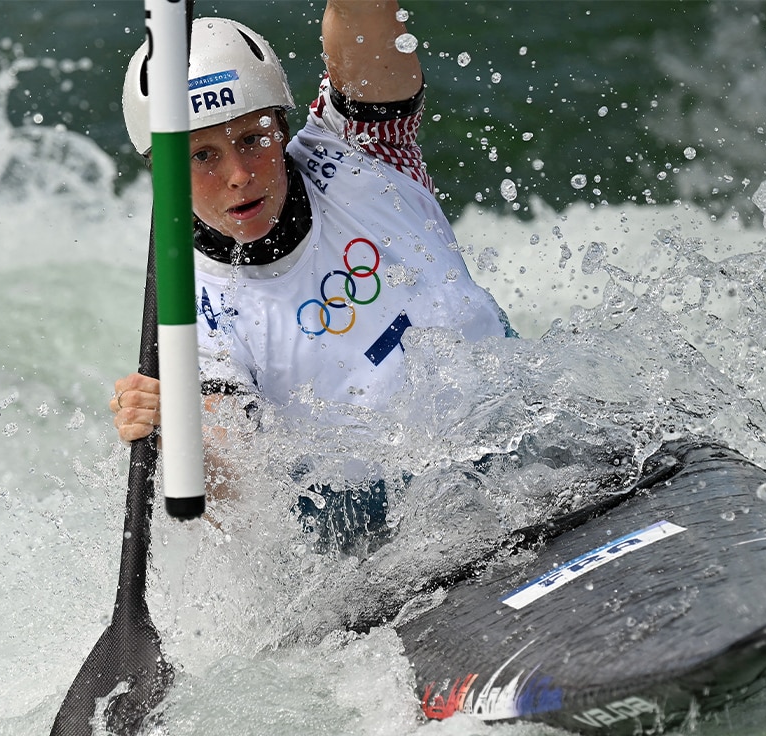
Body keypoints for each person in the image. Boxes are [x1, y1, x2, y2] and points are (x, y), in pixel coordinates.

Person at [110, 2, 511, 550]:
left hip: (518, 430)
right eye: (202, 155)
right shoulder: (192, 315)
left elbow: (365, 13)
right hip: (377, 534)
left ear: (282, 125)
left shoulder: (363, 151)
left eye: (254, 138)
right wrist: (176, 434)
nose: (239, 176)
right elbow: (243, 477)